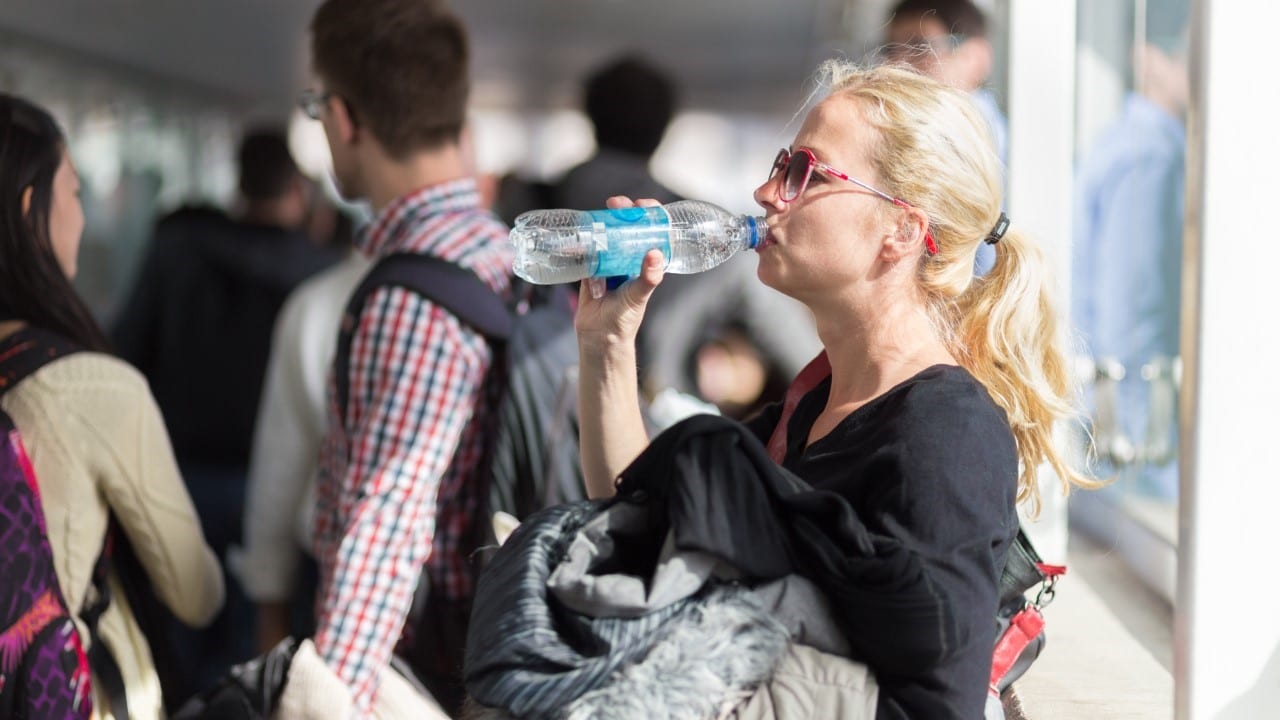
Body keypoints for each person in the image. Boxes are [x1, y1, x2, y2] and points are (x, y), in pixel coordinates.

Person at [572, 61, 1092, 719]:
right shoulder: (814, 403)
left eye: (805, 174)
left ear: (901, 229)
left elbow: (938, 707)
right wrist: (608, 341)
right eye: (779, 164)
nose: (766, 192)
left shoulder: (945, 433)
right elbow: (630, 513)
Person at [288, 0, 512, 716]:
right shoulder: (502, 251)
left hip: (421, 667)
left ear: (346, 118)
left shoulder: (411, 295)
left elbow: (385, 524)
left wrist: (326, 700)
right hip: (488, 642)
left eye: (318, 107)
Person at [0, 92, 224, 718]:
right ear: (30, 208)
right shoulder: (90, 387)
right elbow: (194, 593)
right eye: (73, 192)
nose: (83, 215)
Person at [111, 128, 337, 696]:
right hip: (272, 486)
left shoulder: (178, 250)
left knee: (172, 633)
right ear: (294, 189)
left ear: (237, 181)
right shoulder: (316, 275)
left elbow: (128, 350)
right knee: (252, 648)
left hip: (173, 472)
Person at [553, 53, 820, 417]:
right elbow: (791, 343)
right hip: (652, 424)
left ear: (590, 116)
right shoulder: (692, 227)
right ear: (663, 129)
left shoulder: (539, 204)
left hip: (552, 415)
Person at [1072, 1, 1188, 499]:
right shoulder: (1150, 154)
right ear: (1147, 58)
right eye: (1187, 55)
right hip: (1133, 449)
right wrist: (1145, 456)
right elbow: (1134, 316)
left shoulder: (1127, 141)